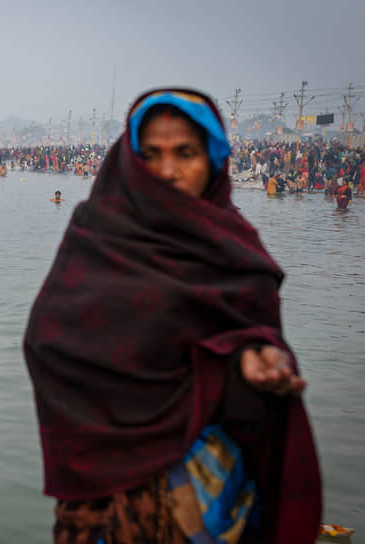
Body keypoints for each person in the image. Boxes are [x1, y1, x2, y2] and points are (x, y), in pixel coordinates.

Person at [24, 89, 321, 544]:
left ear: (213, 159)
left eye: (185, 153)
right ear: (130, 162)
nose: (167, 171)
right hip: (107, 500)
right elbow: (48, 345)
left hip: (213, 496)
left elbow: (251, 339)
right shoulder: (97, 235)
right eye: (151, 155)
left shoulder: (236, 250)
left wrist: (249, 361)